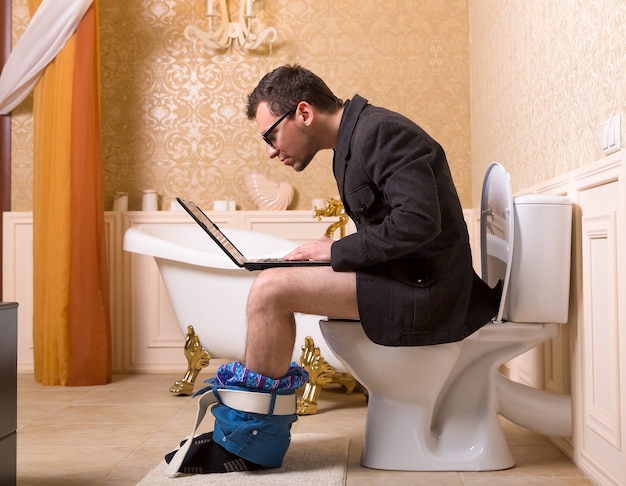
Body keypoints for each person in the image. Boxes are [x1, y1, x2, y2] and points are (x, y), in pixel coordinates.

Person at [164, 64, 501, 476]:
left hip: (427, 290)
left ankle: (248, 441)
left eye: (271, 135)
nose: (271, 151)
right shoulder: (351, 144)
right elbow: (395, 229)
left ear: (303, 113)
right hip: (409, 278)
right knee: (273, 283)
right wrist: (329, 252)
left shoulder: (381, 132)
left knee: (271, 290)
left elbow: (418, 222)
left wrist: (338, 249)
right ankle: (243, 434)